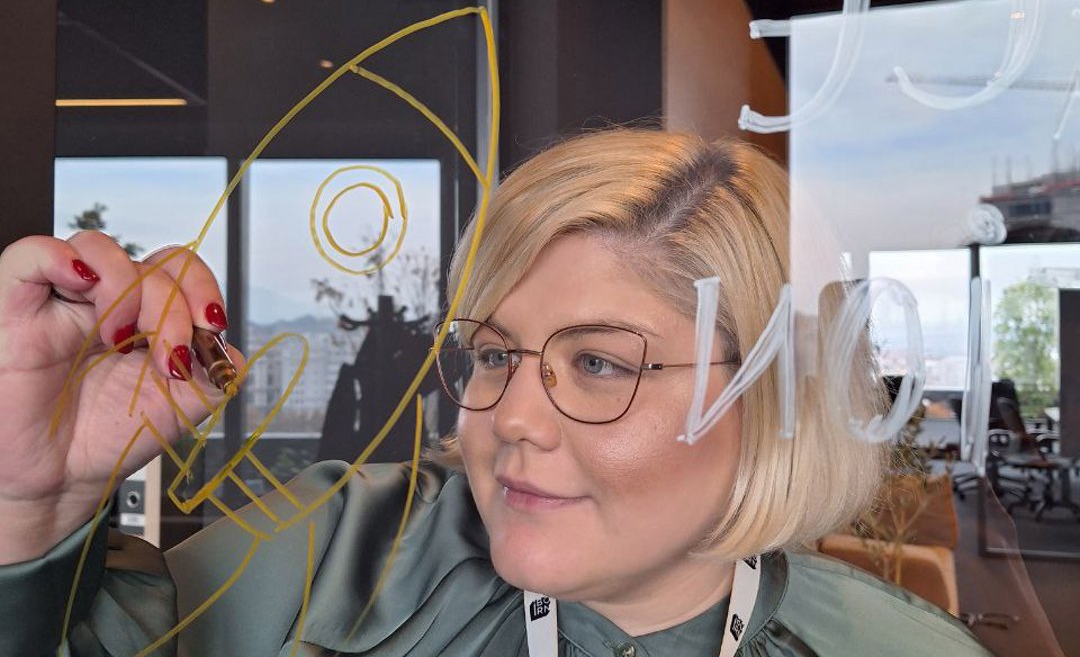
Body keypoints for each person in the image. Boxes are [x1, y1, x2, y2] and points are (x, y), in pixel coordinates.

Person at [0, 130, 990, 656]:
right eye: (494, 355)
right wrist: (26, 508)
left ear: (772, 398)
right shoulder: (333, 555)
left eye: (600, 364)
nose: (507, 418)